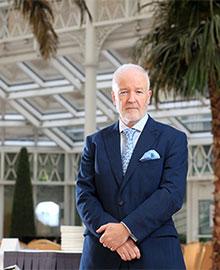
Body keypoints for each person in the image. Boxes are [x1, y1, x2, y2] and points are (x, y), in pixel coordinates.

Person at [76, 63, 188, 269]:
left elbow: (172, 193)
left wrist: (127, 229)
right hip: (102, 254)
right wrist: (114, 238)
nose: (131, 99)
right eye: (124, 92)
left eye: (138, 91)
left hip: (156, 254)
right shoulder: (94, 143)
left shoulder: (173, 140)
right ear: (114, 97)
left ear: (149, 96)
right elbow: (84, 194)